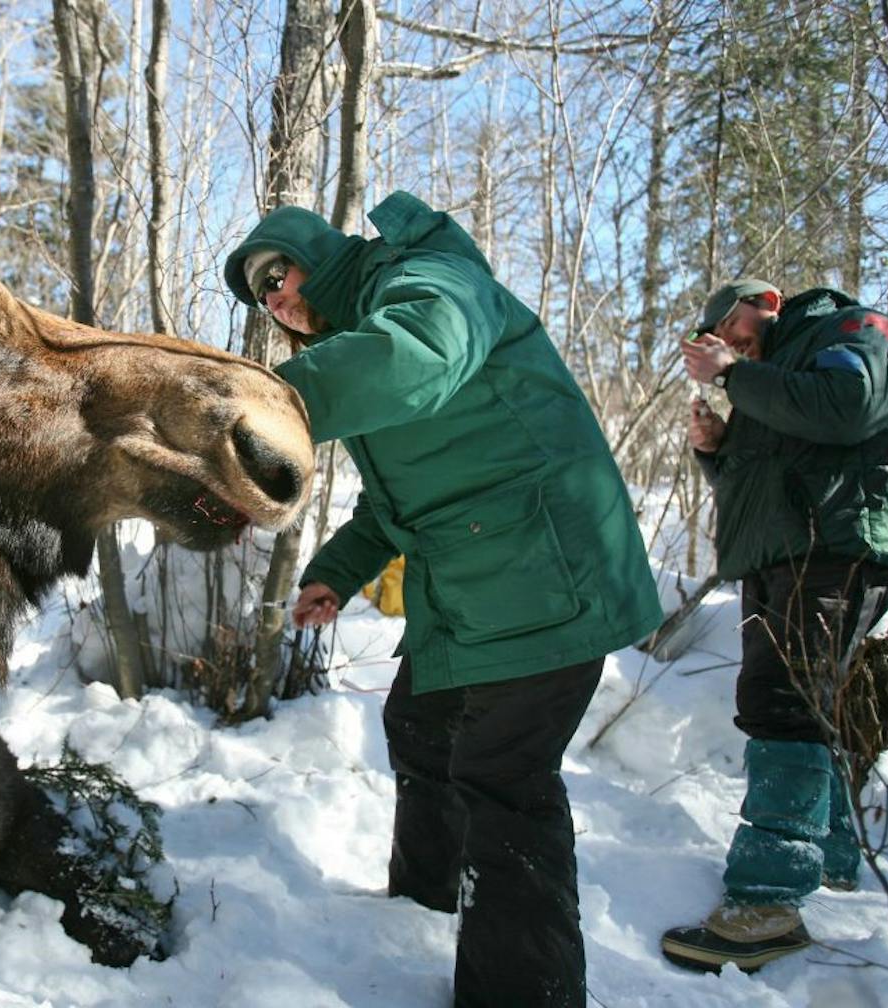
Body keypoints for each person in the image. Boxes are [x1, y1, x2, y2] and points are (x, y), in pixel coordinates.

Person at [224, 192, 662, 1008]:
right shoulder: (360, 340)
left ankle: (522, 992)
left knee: (504, 783)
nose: (276, 297)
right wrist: (338, 570)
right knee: (420, 725)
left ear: (322, 255)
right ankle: (420, 916)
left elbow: (416, 355)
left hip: (549, 580)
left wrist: (255, 405)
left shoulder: (431, 280)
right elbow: (396, 500)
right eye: (261, 294)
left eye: (279, 273)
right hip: (478, 586)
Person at [661, 279, 888, 973]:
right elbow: (774, 483)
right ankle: (835, 857)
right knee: (816, 702)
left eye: (726, 325)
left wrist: (735, 375)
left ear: (767, 301)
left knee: (787, 704)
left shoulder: (851, 330)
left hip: (839, 545)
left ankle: (769, 903)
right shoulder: (775, 376)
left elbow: (847, 409)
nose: (724, 341)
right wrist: (718, 451)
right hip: (786, 551)